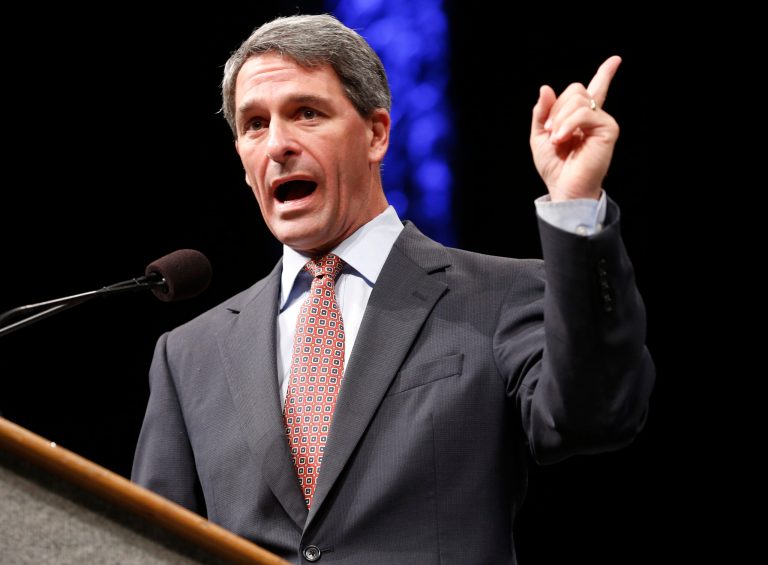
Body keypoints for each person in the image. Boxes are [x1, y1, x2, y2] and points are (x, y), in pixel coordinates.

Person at [131, 13, 655, 564]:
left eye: (306, 113)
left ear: (376, 133)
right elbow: (146, 549)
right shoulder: (188, 355)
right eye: (255, 124)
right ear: (242, 159)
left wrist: (575, 205)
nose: (278, 144)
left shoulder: (497, 296)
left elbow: (600, 412)